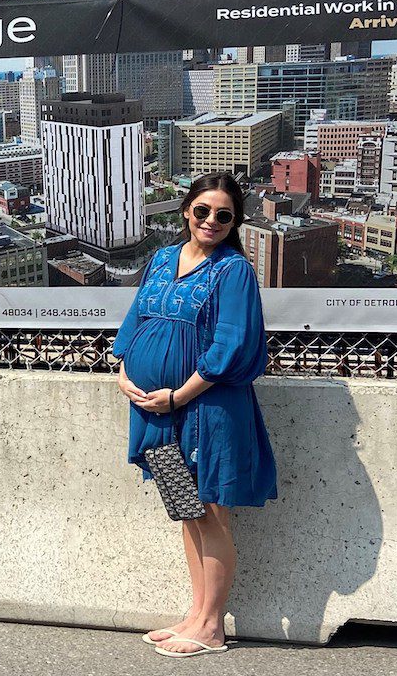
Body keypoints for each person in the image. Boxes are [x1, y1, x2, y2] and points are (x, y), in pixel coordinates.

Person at [114, 172, 277, 658]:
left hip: (206, 408)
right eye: (203, 211)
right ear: (186, 210)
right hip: (157, 409)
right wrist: (123, 367)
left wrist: (178, 396)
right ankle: (195, 613)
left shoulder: (234, 272)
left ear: (234, 222)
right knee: (187, 511)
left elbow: (231, 346)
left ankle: (211, 626)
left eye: (223, 215)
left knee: (211, 514)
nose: (211, 221)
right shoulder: (163, 259)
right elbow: (137, 316)